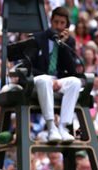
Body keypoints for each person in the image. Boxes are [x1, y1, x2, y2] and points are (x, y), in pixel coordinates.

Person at [30, 6, 81, 144]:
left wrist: (63, 45)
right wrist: (50, 80)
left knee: (76, 82)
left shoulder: (69, 41)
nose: (58, 26)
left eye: (62, 23)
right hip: (38, 79)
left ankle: (63, 127)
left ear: (67, 26)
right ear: (51, 21)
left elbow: (72, 71)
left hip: (58, 80)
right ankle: (51, 126)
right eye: (56, 22)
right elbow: (29, 66)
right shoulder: (37, 38)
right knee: (45, 80)